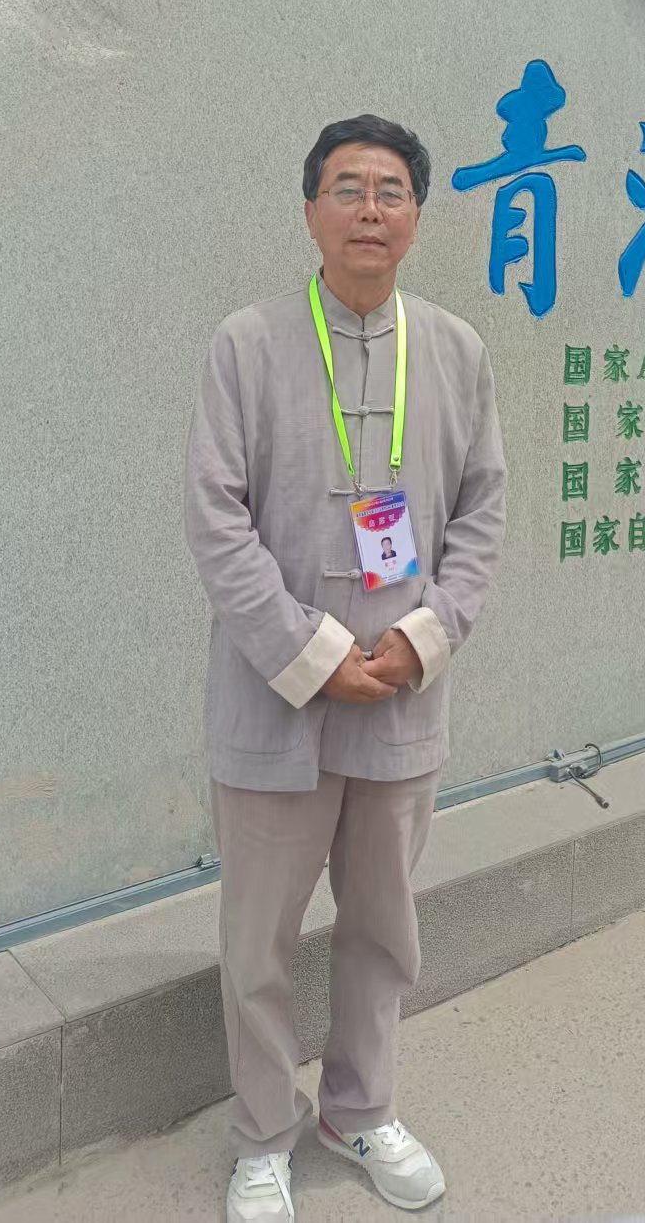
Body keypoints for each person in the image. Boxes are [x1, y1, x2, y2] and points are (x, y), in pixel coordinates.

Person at [184, 115, 506, 1220]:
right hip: (273, 704)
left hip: (402, 701)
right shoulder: (247, 344)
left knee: (382, 927)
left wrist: (424, 638)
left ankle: (359, 1110)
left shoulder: (456, 350)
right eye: (348, 188)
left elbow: (483, 515)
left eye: (391, 190)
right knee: (258, 941)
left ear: (416, 216)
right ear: (310, 211)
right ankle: (262, 1135)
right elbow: (215, 519)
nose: (370, 209)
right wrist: (312, 654)